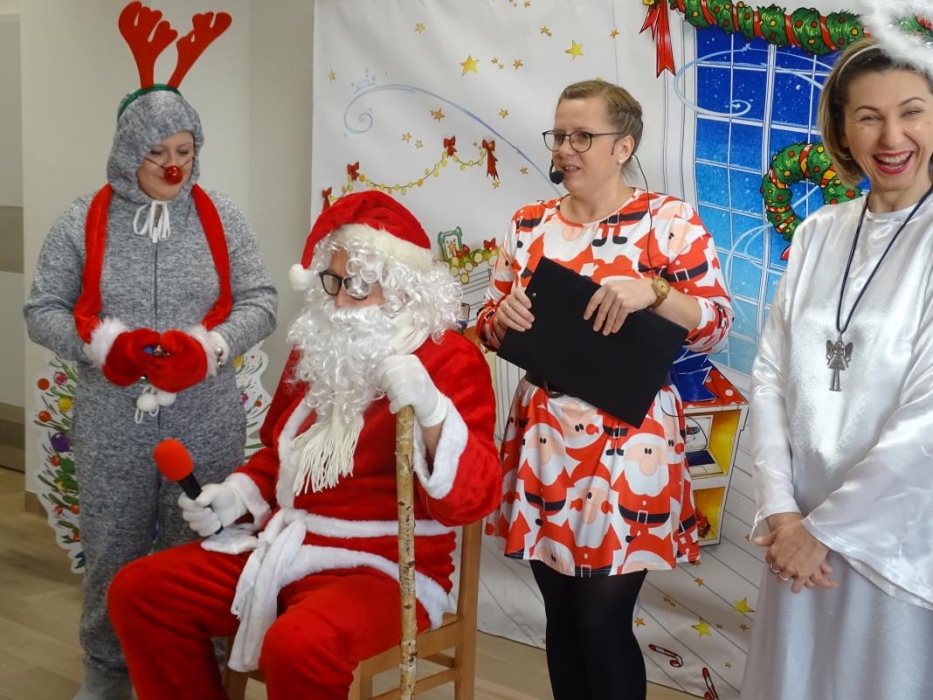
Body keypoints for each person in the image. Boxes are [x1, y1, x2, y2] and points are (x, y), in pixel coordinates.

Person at [106, 190, 502, 700]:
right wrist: (235, 496)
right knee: (140, 592)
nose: (339, 302)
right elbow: (278, 455)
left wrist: (433, 412)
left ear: (403, 290)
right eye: (333, 281)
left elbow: (473, 500)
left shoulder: (449, 362)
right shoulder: (317, 349)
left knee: (299, 645)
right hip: (285, 545)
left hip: (385, 567)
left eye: (358, 285)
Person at [22, 5, 277, 699]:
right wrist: (102, 346)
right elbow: (41, 310)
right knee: (113, 553)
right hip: (112, 424)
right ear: (126, 150)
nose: (173, 165)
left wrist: (211, 348)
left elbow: (261, 301)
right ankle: (107, 676)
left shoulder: (223, 216)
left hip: (207, 422)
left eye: (185, 151)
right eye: (157, 151)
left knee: (203, 554)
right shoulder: (82, 219)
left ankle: (198, 680)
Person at [479, 79, 733, 700]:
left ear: (624, 146)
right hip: (544, 433)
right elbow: (485, 325)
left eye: (582, 136)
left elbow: (716, 325)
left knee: (600, 618)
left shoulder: (668, 221)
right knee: (562, 616)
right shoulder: (528, 224)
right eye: (560, 135)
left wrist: (657, 291)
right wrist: (500, 317)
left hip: (631, 439)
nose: (565, 148)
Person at [741, 37, 933, 699]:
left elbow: (927, 417)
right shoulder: (817, 232)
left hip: (896, 541)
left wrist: (823, 531)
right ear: (842, 131)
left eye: (911, 112)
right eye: (868, 117)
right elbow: (770, 375)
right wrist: (781, 512)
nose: (891, 137)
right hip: (796, 534)